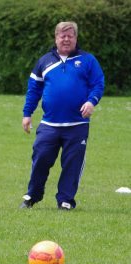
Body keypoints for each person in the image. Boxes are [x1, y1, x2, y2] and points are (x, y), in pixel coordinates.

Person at [20, 21, 104, 210]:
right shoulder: (44, 61)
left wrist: (92, 101)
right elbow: (33, 90)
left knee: (72, 164)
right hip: (49, 124)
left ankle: (65, 200)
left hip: (77, 125)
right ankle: (32, 196)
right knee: (40, 158)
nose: (66, 39)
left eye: (70, 36)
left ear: (76, 38)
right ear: (56, 38)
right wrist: (27, 114)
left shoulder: (88, 60)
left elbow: (98, 84)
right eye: (62, 36)